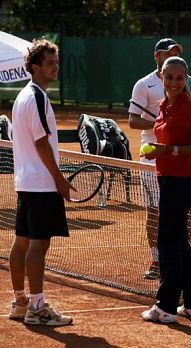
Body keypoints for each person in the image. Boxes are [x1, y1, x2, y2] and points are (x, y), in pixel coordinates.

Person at [9, 38, 73, 325]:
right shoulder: (36, 97)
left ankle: (20, 301)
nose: (54, 68)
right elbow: (41, 143)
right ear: (35, 67)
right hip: (40, 183)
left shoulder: (22, 97)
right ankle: (36, 307)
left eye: (56, 63)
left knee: (22, 241)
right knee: (38, 243)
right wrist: (59, 179)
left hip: (26, 181)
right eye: (49, 63)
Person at [141, 56, 191, 323]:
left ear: (186, 79)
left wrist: (169, 150)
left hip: (181, 182)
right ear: (161, 76)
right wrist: (157, 153)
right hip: (166, 178)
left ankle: (166, 306)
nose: (174, 82)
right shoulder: (162, 107)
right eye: (169, 77)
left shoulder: (190, 108)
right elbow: (164, 143)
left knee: (167, 243)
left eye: (179, 78)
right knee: (180, 244)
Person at [129, 38, 191, 280]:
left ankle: (187, 255)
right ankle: (156, 258)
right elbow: (133, 120)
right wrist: (162, 125)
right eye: (166, 53)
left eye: (175, 52)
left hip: (181, 157)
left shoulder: (188, 82)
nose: (170, 55)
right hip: (152, 159)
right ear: (156, 57)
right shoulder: (143, 84)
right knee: (155, 210)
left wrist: (175, 136)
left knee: (188, 211)